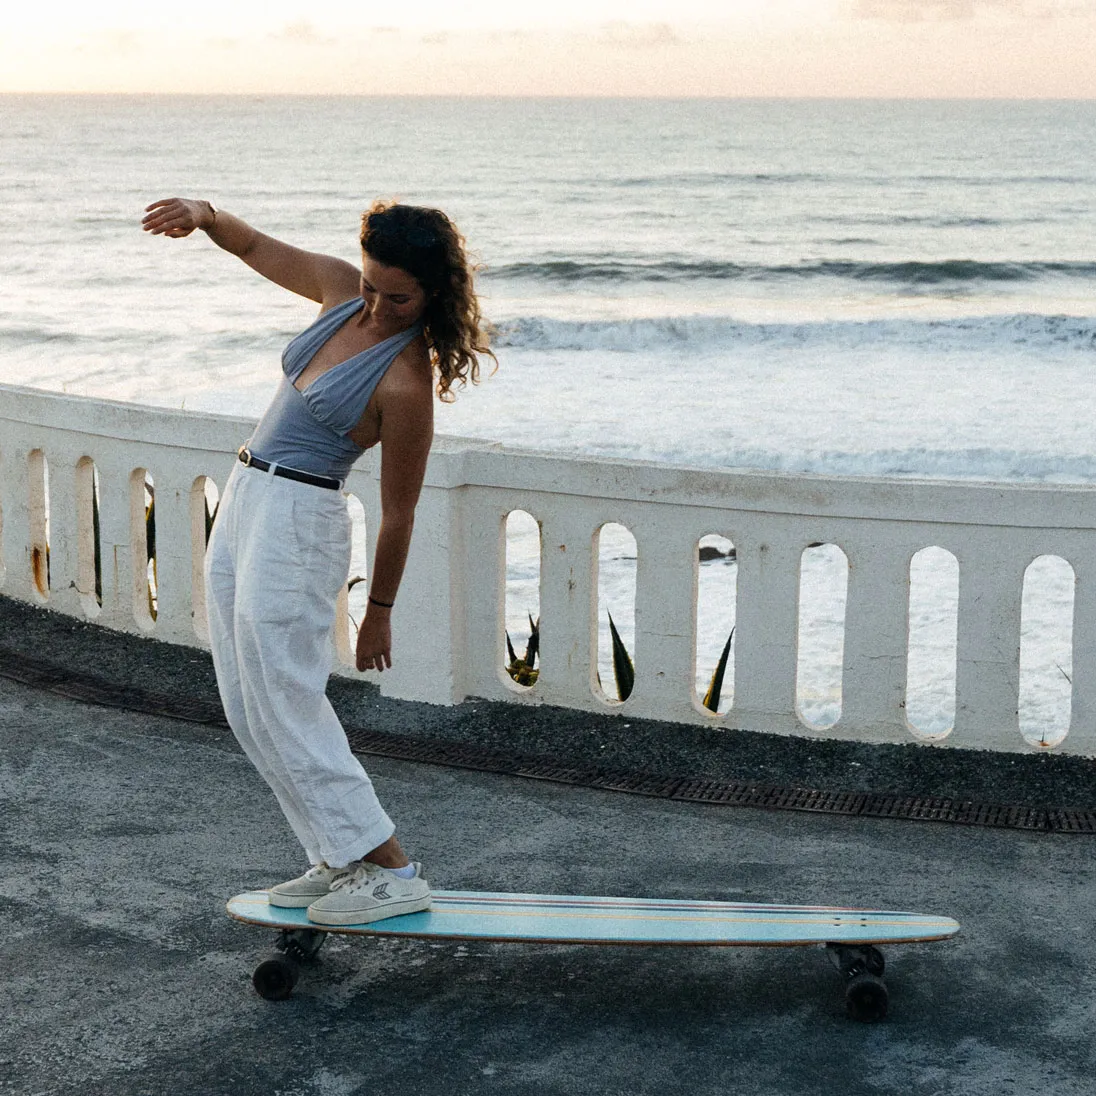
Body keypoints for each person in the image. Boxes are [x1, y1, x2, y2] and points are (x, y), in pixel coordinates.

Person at [141, 196, 494, 925]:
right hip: (246, 495)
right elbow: (255, 248)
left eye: (399, 297)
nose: (378, 306)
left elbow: (399, 510)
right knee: (245, 697)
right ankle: (338, 858)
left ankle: (392, 868)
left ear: (433, 293)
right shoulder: (339, 294)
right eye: (372, 285)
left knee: (289, 694)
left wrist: (380, 614)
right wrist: (204, 214)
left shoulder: (404, 380)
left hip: (301, 519)